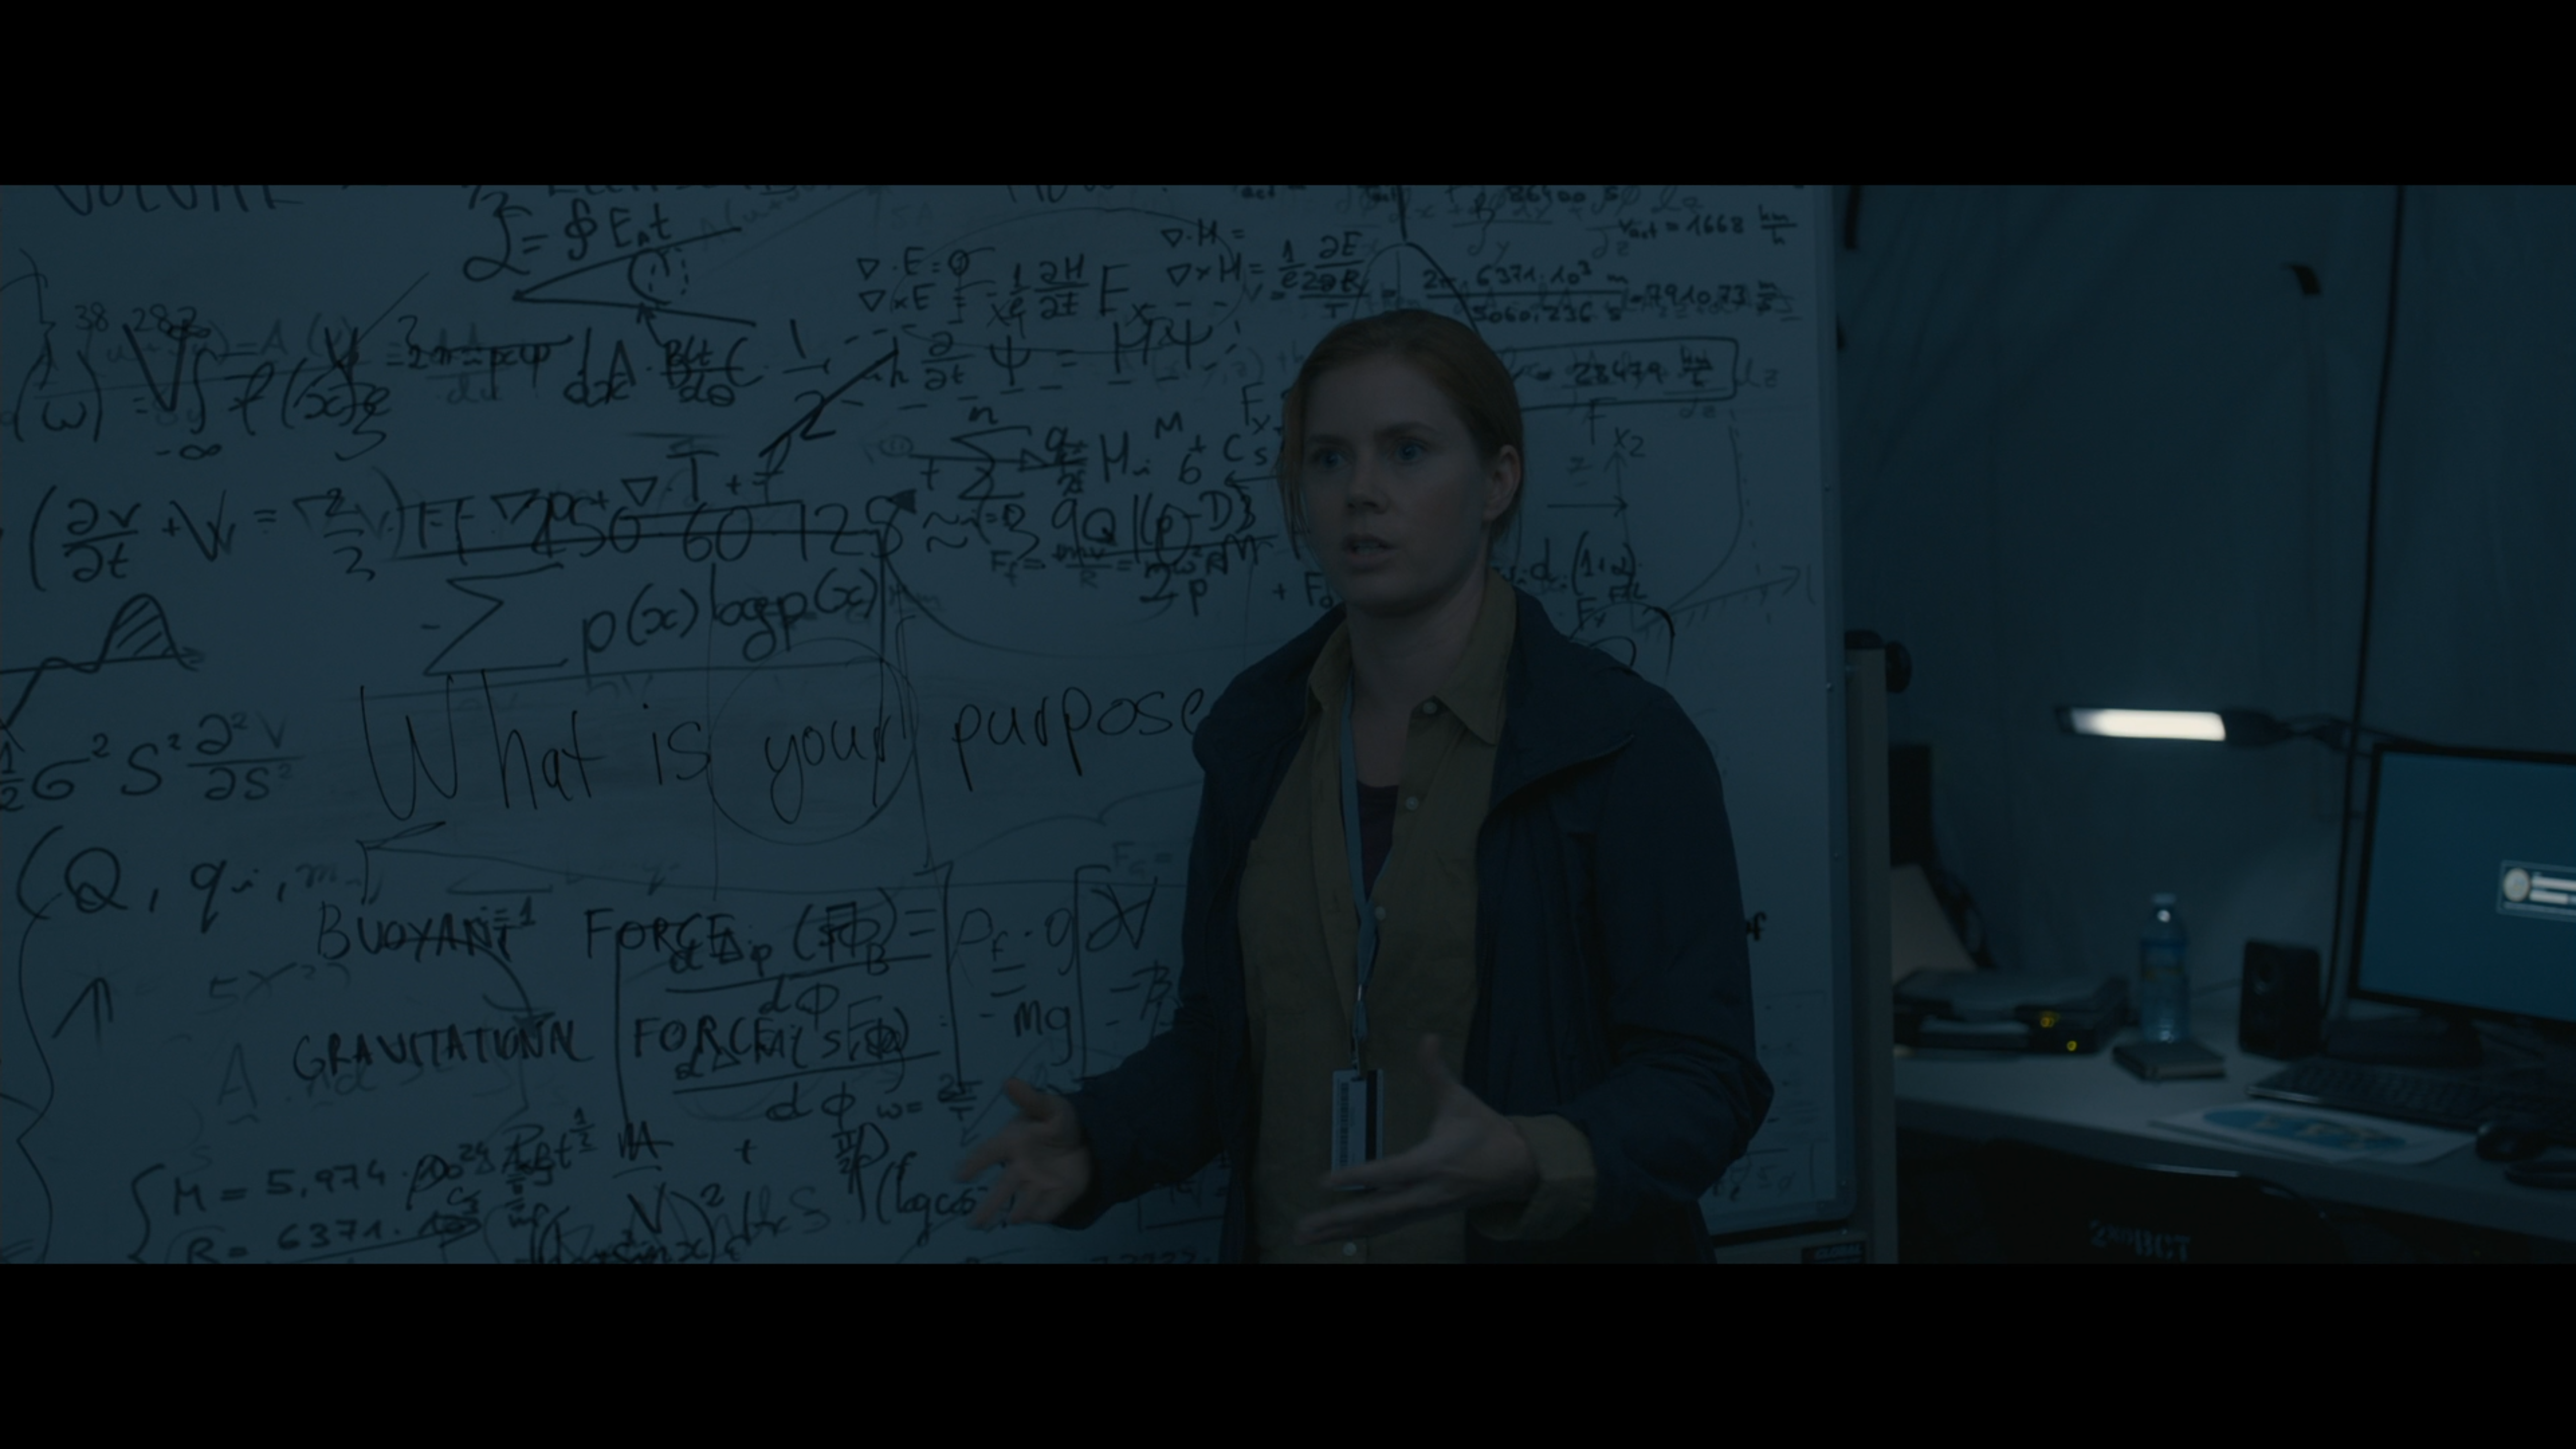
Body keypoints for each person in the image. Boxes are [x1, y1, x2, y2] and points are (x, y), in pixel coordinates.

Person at [953, 309, 1772, 1261]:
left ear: (1498, 481)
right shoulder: (1259, 737)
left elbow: (1705, 1078)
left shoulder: (1619, 743)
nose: (1362, 492)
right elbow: (1226, 1039)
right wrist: (1101, 1137)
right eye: (1329, 459)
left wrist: (1529, 1156)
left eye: (1408, 452)